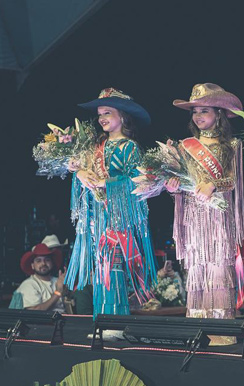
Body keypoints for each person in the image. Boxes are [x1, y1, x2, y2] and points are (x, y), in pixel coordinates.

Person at [167, 83, 244, 344]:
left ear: (218, 113)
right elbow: (182, 183)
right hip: (194, 218)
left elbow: (233, 182)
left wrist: (215, 184)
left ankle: (222, 331)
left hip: (218, 218)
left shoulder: (231, 145)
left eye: (204, 110)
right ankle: (197, 329)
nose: (198, 116)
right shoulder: (185, 146)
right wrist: (172, 187)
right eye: (194, 111)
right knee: (197, 269)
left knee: (218, 269)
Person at [65, 88, 158, 320]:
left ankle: (115, 323)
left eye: (107, 112)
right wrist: (80, 175)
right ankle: (101, 322)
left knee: (112, 271)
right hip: (96, 219)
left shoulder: (130, 147)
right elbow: (84, 175)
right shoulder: (96, 147)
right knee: (100, 272)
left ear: (123, 116)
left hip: (117, 219)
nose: (102, 118)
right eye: (99, 114)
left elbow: (138, 183)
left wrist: (107, 183)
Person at [13, 243, 66, 312]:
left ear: (52, 263)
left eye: (47, 260)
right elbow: (35, 312)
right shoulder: (29, 284)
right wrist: (58, 292)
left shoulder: (58, 281)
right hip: (44, 322)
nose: (43, 263)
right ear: (32, 266)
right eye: (38, 261)